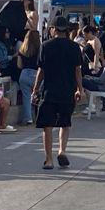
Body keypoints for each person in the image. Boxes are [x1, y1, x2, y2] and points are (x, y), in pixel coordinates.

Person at [34, 16, 84, 170]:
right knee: (65, 123)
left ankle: (49, 159)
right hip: (67, 90)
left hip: (49, 91)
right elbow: (77, 70)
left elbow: (41, 70)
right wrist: (79, 89)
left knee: (47, 126)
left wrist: (35, 89)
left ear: (54, 29)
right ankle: (62, 150)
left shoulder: (46, 46)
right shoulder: (74, 47)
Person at [14, 28, 41, 127]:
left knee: (26, 97)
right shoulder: (40, 49)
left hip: (24, 74)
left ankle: (28, 119)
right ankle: (39, 116)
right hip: (37, 74)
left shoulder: (22, 50)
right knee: (39, 96)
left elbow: (19, 65)